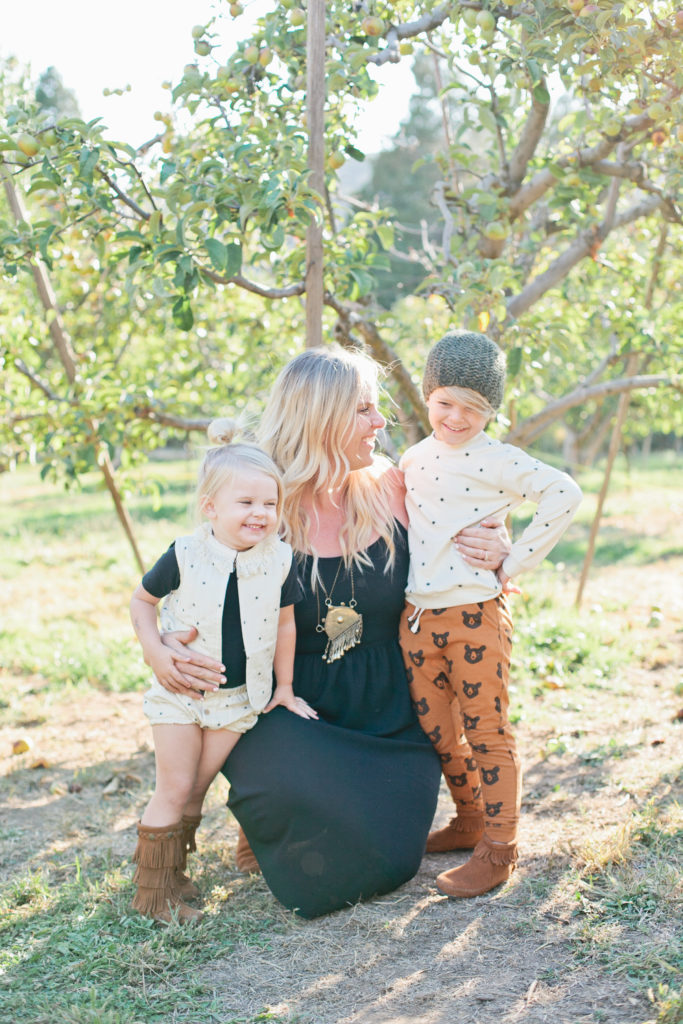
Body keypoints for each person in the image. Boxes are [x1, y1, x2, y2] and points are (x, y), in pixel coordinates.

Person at [159, 345, 510, 919]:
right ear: (321, 416)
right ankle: (266, 806)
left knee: (386, 862)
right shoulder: (258, 498)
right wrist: (166, 640)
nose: (382, 422)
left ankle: (287, 814)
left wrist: (500, 548)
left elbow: (479, 530)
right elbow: (196, 588)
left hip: (388, 709)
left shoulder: (397, 485)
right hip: (288, 706)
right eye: (365, 410)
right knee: (316, 867)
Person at [398, 331, 583, 898]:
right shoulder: (411, 458)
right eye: (445, 401)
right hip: (417, 619)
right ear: (427, 396)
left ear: (492, 411)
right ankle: (470, 819)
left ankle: (499, 849)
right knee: (440, 730)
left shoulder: (498, 459)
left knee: (487, 730)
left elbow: (565, 494)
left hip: (474, 614)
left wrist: (513, 560)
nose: (457, 417)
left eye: (474, 408)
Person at [128, 419, 315, 922]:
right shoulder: (186, 554)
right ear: (211, 507)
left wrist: (285, 687)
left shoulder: (279, 560)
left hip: (237, 698)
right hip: (182, 691)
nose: (260, 514)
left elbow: (286, 626)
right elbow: (143, 602)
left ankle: (174, 874)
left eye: (269, 504)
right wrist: (155, 651)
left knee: (196, 790)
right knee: (173, 786)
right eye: (246, 503)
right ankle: (153, 897)